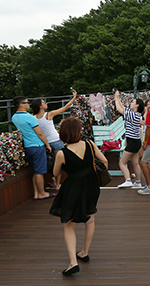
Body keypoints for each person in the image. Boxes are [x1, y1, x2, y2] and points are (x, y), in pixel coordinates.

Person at [49, 117, 106, 276]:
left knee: (69, 224)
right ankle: (84, 252)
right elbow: (104, 160)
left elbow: (55, 172)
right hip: (91, 185)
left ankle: (73, 263)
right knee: (90, 218)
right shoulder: (89, 144)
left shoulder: (62, 153)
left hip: (73, 187)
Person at [30, 89, 78, 189]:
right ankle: (57, 184)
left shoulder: (32, 117)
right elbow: (65, 107)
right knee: (58, 163)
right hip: (56, 141)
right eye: (43, 103)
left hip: (44, 143)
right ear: (40, 106)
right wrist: (74, 97)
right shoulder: (49, 114)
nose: (46, 103)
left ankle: (52, 179)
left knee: (48, 162)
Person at [11, 96, 54, 200]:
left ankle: (36, 193)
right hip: (37, 145)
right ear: (21, 104)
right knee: (40, 172)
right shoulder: (30, 117)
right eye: (26, 103)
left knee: (35, 170)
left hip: (28, 146)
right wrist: (47, 145)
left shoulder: (14, 117)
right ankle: (42, 193)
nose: (28, 104)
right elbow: (40, 133)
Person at [114, 91, 145, 189]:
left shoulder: (132, 115)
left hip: (131, 142)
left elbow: (119, 109)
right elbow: (123, 108)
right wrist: (118, 97)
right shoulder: (136, 114)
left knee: (122, 163)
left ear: (137, 105)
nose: (131, 103)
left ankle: (127, 180)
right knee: (135, 163)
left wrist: (115, 98)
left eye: (133, 102)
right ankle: (138, 182)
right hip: (136, 142)